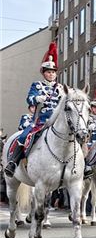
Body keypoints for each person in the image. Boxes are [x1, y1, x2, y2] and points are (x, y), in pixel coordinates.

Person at [5, 42, 63, 178]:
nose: (51, 74)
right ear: (44, 73)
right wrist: (37, 99)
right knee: (24, 136)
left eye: (53, 72)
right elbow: (29, 99)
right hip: (40, 120)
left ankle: (81, 167)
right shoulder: (37, 85)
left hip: (57, 121)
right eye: (49, 72)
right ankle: (13, 162)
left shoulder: (61, 88)